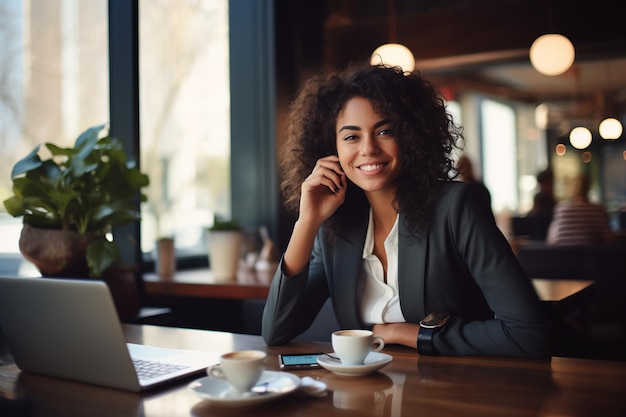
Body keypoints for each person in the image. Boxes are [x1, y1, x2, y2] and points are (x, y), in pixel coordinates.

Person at [262, 63, 552, 357]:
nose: (368, 149)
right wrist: (307, 222)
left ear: (411, 136)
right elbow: (276, 331)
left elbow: (528, 334)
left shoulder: (457, 207)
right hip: (369, 392)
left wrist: (410, 334)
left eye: (384, 130)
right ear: (331, 148)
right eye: (351, 137)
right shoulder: (335, 228)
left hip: (459, 390)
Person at [546, 174, 614, 246]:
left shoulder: (560, 209)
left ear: (572, 189)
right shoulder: (598, 209)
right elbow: (609, 239)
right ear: (588, 187)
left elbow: (551, 240)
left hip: (564, 256)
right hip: (592, 256)